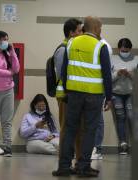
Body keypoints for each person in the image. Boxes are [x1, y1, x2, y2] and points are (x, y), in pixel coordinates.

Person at [52, 16, 112, 177]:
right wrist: (110, 97)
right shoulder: (101, 46)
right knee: (89, 130)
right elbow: (107, 74)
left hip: (74, 94)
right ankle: (83, 166)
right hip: (94, 95)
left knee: (70, 129)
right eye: (100, 28)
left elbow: (64, 70)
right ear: (97, 28)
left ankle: (64, 166)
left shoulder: (72, 43)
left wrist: (66, 90)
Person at [53, 18, 83, 159]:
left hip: (74, 95)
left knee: (77, 129)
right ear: (71, 33)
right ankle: (63, 162)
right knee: (66, 128)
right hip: (65, 95)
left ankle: (78, 160)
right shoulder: (63, 49)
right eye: (79, 30)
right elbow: (61, 74)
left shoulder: (73, 48)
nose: (81, 33)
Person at [111, 38, 138, 155]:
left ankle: (134, 144)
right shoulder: (113, 59)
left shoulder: (136, 60)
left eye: (127, 51)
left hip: (130, 93)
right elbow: (109, 79)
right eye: (122, 50)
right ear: (118, 49)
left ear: (130, 49)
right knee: (120, 118)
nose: (124, 52)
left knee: (132, 118)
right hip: (116, 94)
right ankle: (123, 145)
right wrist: (118, 73)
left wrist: (130, 75)